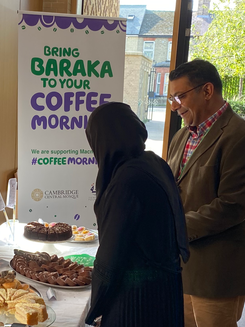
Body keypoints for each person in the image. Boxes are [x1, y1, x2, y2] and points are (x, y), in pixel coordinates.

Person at [166, 59, 245, 327]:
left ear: (207, 91)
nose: (175, 106)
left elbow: (232, 206)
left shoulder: (243, 137)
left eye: (180, 96)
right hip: (182, 264)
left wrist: (173, 227)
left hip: (218, 270)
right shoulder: (181, 137)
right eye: (171, 98)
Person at [84, 102, 190, 327]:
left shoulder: (126, 181)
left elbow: (111, 256)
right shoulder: (154, 163)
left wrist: (94, 308)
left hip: (137, 302)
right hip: (166, 290)